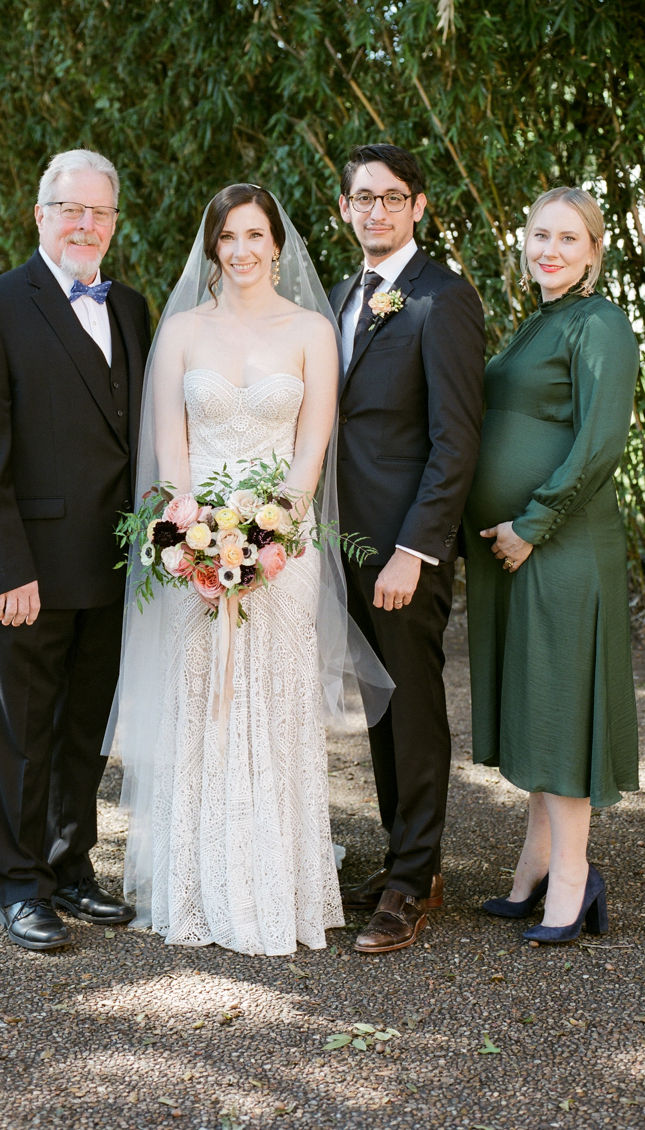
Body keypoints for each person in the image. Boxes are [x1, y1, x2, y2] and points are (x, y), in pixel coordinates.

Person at [108, 184, 391, 956]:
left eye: (255, 234)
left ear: (278, 244)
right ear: (212, 246)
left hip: (285, 547)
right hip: (197, 545)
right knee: (205, 703)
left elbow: (311, 448)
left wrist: (274, 534)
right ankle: (197, 884)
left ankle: (277, 884)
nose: (241, 249)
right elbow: (172, 452)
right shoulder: (183, 333)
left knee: (273, 701)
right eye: (227, 236)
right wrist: (196, 537)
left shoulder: (310, 329)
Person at [0, 148, 152, 950]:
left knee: (83, 730)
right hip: (29, 566)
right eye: (72, 209)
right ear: (41, 215)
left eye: (100, 212)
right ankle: (19, 882)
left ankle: (70, 866)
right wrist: (6, 569)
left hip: (113, 563)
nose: (85, 224)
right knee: (22, 732)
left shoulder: (130, 307)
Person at [463, 186, 639, 944]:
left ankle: (574, 877)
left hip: (561, 544)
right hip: (517, 546)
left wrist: (532, 523)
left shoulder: (601, 323)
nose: (552, 250)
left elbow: (599, 443)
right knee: (536, 696)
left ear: (594, 251)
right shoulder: (540, 321)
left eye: (569, 238)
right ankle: (535, 860)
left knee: (562, 705)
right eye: (540, 235)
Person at [331, 144, 486, 954]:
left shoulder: (442, 299)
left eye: (393, 198)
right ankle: (402, 855)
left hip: (402, 549)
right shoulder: (334, 298)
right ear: (344, 209)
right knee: (378, 705)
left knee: (414, 704)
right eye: (363, 198)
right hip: (338, 546)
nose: (377, 211)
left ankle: (416, 875)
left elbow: (455, 440)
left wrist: (416, 549)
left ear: (419, 206)